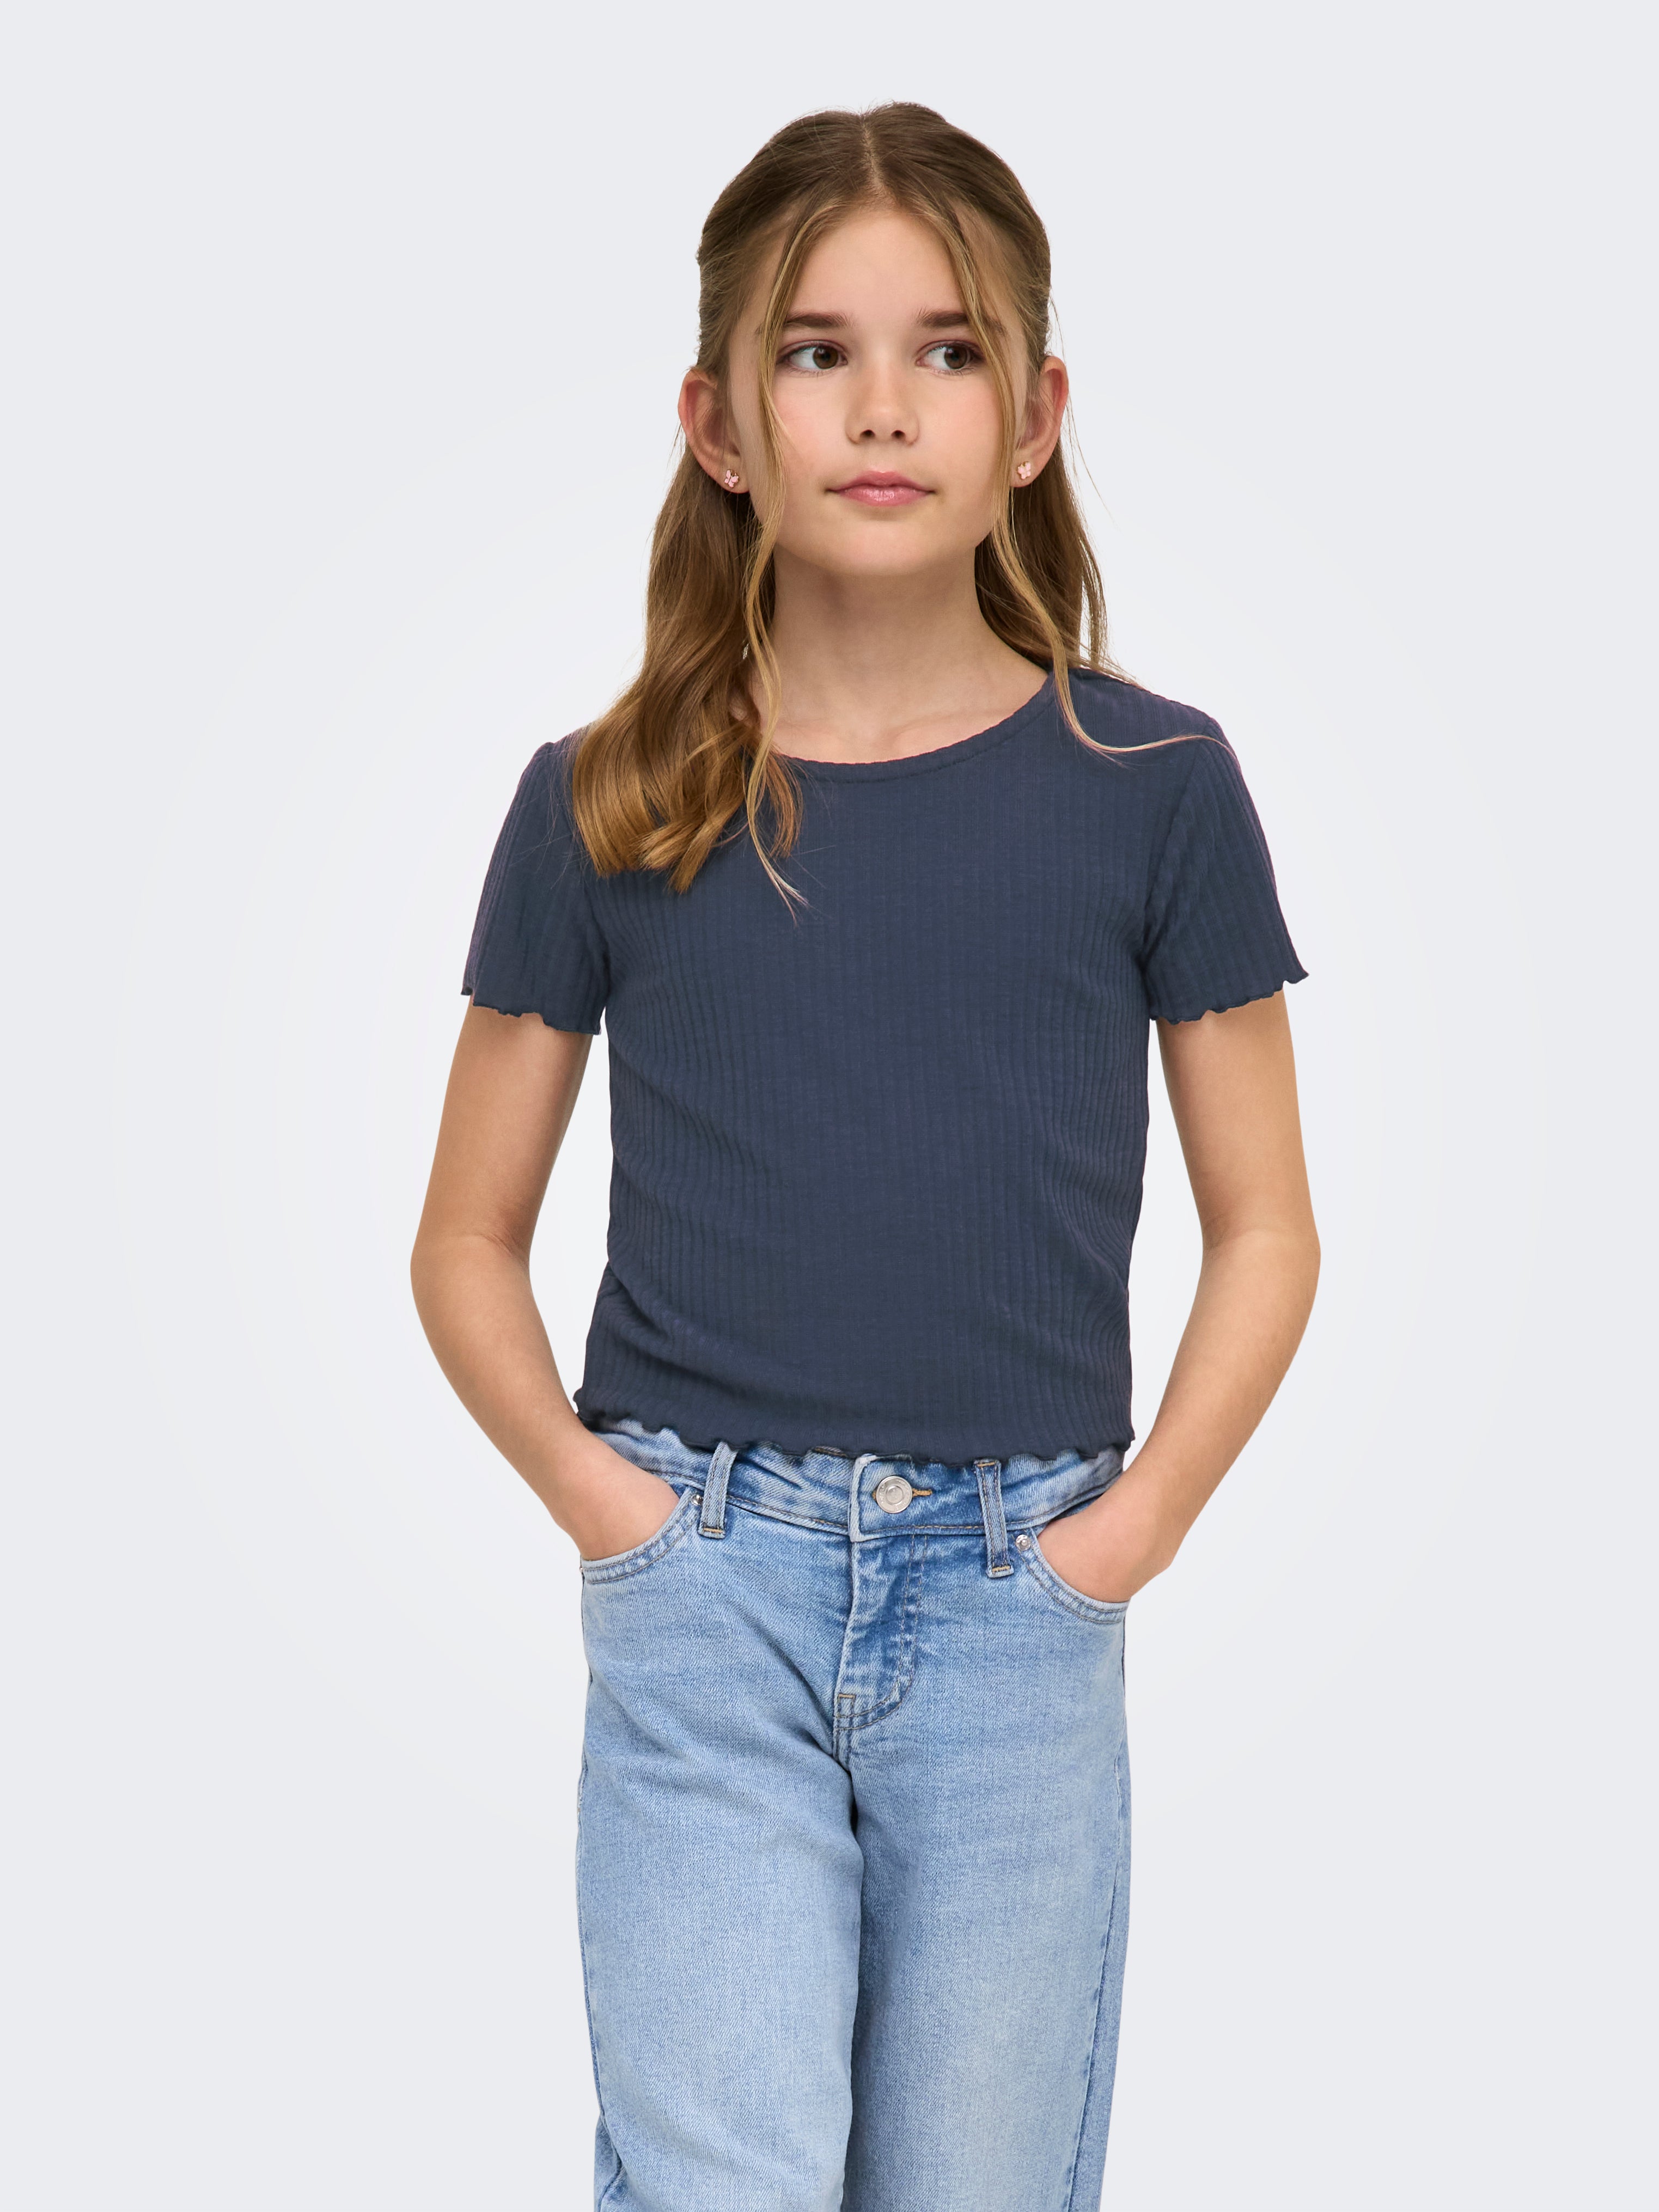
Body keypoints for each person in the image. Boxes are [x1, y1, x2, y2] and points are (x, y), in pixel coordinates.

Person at [411, 101, 1319, 2212]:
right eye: (817, 351)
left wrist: (1124, 1539)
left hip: (1021, 1592)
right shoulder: (609, 796)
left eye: (949, 349)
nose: (884, 406)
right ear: (720, 421)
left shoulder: (1152, 784)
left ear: (1038, 416)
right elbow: (464, 1235)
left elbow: (1267, 1225)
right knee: (716, 2177)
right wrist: (618, 1519)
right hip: (703, 1579)